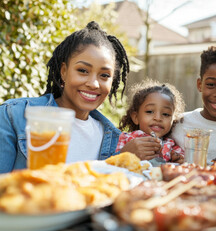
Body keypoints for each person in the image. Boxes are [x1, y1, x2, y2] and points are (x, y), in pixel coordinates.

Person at [0, 21, 131, 173]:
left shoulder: (115, 140)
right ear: (64, 71)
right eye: (83, 70)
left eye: (104, 75)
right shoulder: (14, 116)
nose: (94, 84)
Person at [116, 79, 185, 163]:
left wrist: (177, 159)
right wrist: (125, 153)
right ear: (136, 117)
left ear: (173, 119)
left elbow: (183, 162)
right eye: (149, 112)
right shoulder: (125, 139)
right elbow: (112, 162)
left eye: (166, 114)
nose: (158, 118)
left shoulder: (171, 146)